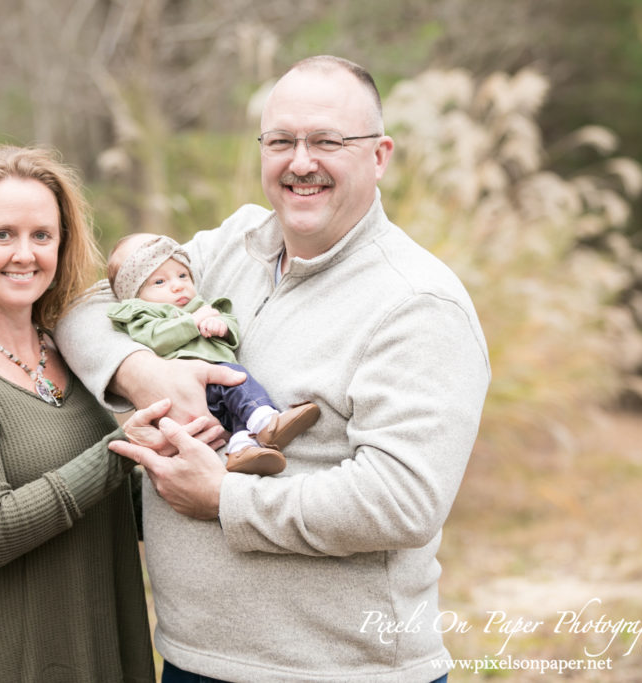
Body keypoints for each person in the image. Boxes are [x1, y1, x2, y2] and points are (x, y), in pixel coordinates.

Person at [55, 56, 491, 682]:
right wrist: (140, 371)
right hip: (188, 656)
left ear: (380, 156)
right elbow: (85, 305)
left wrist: (227, 498)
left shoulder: (418, 303)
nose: (301, 161)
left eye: (327, 141)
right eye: (281, 141)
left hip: (336, 671)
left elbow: (403, 502)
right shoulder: (231, 247)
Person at [0, 145, 210, 682]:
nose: (24, 254)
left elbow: (115, 506)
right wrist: (121, 449)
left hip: (90, 650)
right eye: (2, 235)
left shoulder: (74, 355)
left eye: (42, 236)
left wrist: (190, 458)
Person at [106, 232, 321, 475]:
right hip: (194, 388)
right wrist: (192, 323)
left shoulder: (199, 306)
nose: (178, 285)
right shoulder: (143, 314)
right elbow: (155, 338)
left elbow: (230, 328)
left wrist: (222, 327)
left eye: (182, 275)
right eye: (159, 282)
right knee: (237, 379)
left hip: (218, 391)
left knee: (236, 408)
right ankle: (267, 422)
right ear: (134, 295)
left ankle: (242, 449)